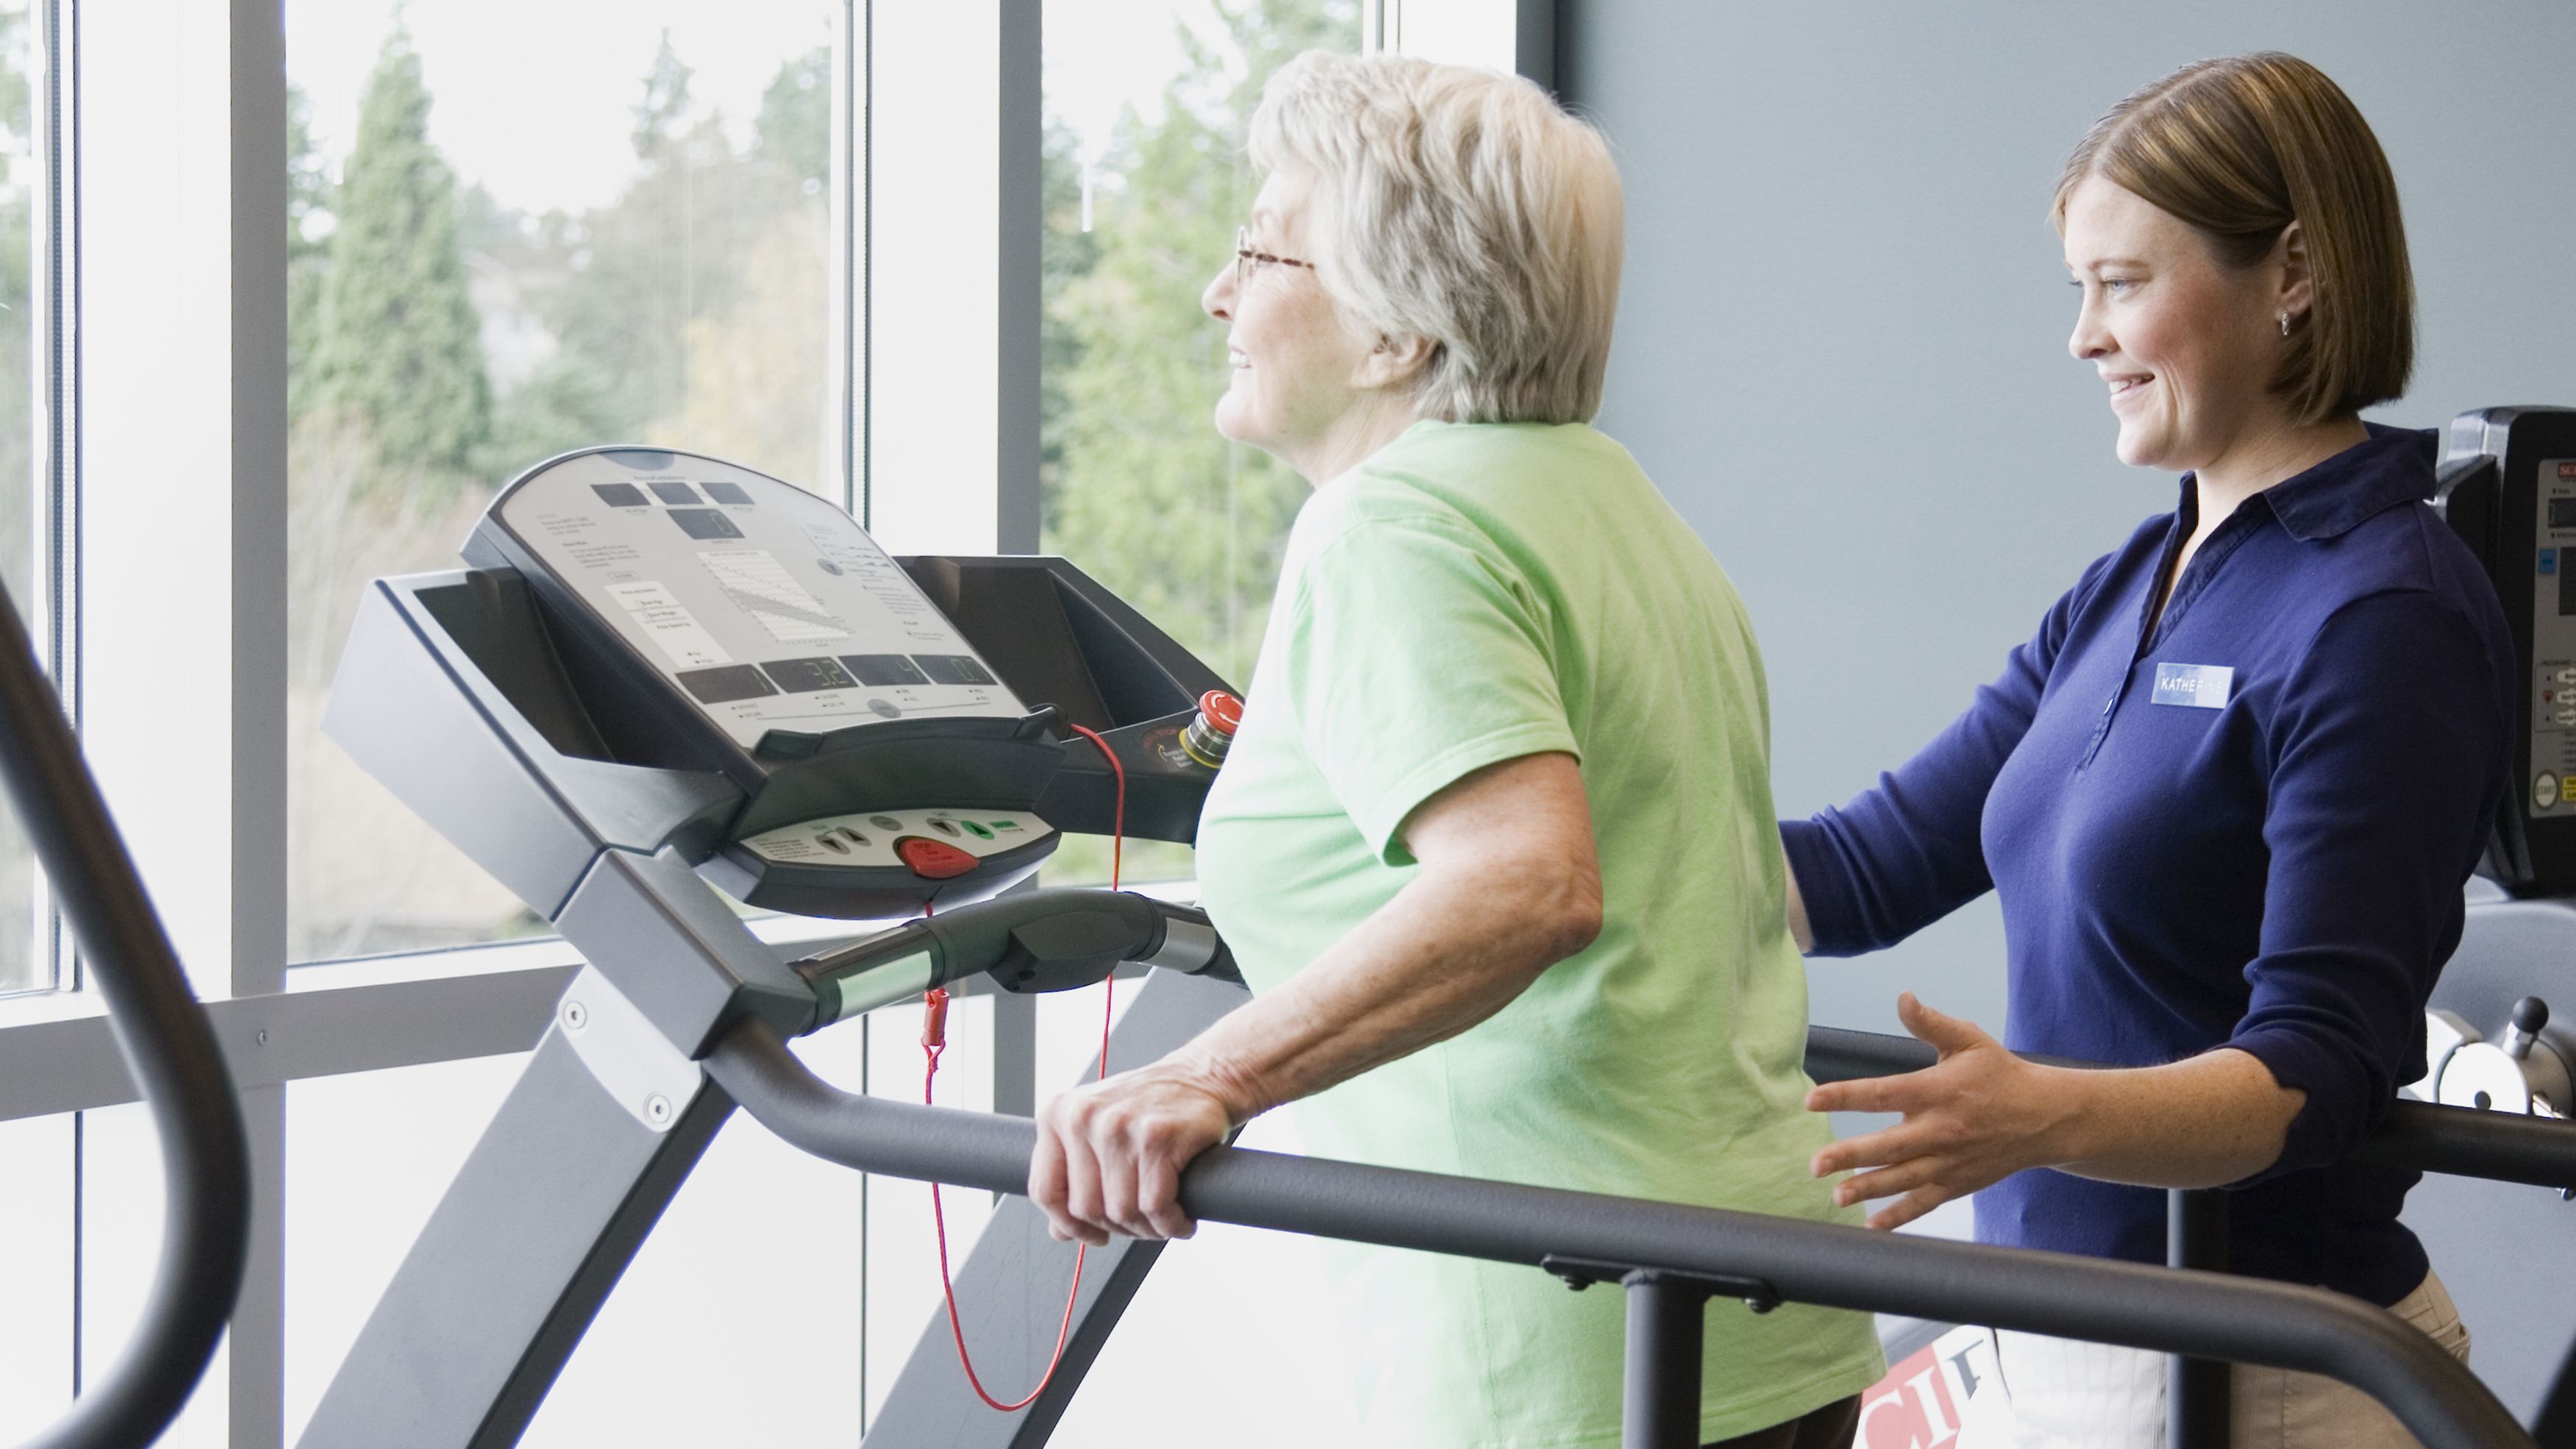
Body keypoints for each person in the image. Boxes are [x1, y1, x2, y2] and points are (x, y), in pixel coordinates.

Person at [1027, 51, 1885, 1449]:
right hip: (1767, 1306)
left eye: (1260, 247)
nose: (1218, 291)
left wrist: (1212, 1076)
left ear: (1396, 338)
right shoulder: (1622, 508)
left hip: (1569, 1338)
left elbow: (1527, 886)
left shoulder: (1390, 524)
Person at [1786, 53, 2511, 1449]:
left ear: (2291, 273)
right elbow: (1861, 871)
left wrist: (2041, 1112)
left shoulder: (2385, 609)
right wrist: (1548, 842)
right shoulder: (2141, 574)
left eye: (2122, 284)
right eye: (2080, 288)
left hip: (2256, 1373)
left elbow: (2312, 1067)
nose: (2082, 335)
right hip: (2055, 1340)